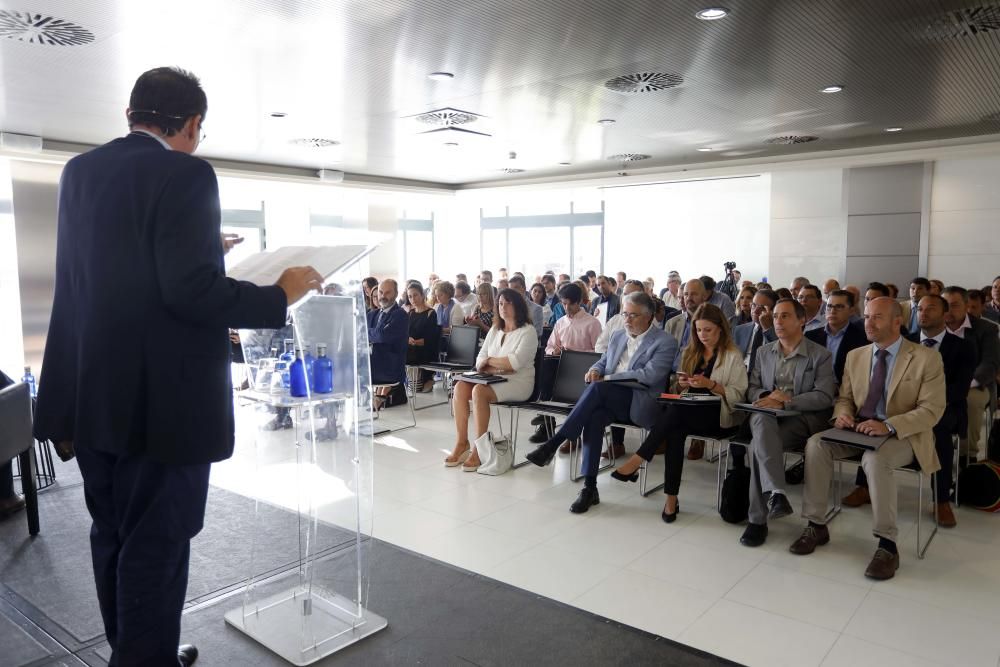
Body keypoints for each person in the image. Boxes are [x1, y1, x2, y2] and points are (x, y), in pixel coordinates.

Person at [31, 67, 322, 667]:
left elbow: (108, 269)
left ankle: (138, 649)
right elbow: (190, 295)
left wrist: (201, 248)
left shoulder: (80, 172)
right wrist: (282, 294)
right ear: (191, 125)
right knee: (157, 543)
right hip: (161, 406)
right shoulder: (187, 172)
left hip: (93, 397)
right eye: (198, 131)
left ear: (133, 116)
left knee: (110, 531)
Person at [789, 297, 945, 580]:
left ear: (897, 321)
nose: (868, 323)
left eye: (877, 317)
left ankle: (887, 545)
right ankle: (816, 524)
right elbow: (845, 398)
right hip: (859, 428)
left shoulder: (926, 357)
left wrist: (889, 426)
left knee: (876, 459)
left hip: (903, 433)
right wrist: (843, 415)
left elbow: (932, 410)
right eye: (867, 316)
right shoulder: (856, 355)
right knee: (816, 444)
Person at [525, 292, 677, 513]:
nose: (627, 319)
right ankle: (590, 487)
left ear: (649, 316)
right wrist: (594, 370)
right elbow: (603, 362)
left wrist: (606, 379)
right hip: (609, 399)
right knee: (594, 418)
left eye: (633, 315)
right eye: (625, 314)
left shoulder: (665, 342)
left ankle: (554, 442)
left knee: (598, 389)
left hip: (639, 403)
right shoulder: (618, 335)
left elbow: (648, 377)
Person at [841, 294, 975, 527]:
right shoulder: (904, 340)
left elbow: (959, 388)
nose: (923, 313)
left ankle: (940, 498)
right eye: (920, 308)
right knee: (870, 416)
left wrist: (923, 400)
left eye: (930, 309)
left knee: (938, 428)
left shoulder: (962, 346)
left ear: (945, 315)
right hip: (895, 407)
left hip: (944, 406)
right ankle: (863, 486)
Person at [612, 304, 747, 522]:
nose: (702, 335)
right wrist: (683, 385)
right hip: (688, 410)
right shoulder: (690, 352)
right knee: (675, 427)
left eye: (708, 330)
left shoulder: (732, 355)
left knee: (675, 414)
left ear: (720, 329)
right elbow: (676, 387)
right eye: (699, 330)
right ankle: (670, 500)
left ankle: (639, 460)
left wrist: (711, 384)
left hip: (719, 416)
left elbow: (738, 394)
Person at [739, 299, 835, 548]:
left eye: (784, 316)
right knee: (760, 423)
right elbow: (752, 388)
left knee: (759, 446)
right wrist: (765, 397)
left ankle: (757, 520)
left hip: (803, 418)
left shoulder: (820, 355)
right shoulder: (764, 351)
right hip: (769, 417)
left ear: (801, 320)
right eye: (775, 316)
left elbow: (825, 396)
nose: (777, 322)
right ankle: (776, 495)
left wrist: (787, 401)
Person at [446, 289, 537, 470]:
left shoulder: (528, 331)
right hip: (493, 378)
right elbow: (479, 360)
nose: (503, 307)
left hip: (519, 382)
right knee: (461, 387)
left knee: (479, 391)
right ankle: (462, 442)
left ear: (518, 306)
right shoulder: (495, 329)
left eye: (508, 303)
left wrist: (490, 362)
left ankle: (479, 450)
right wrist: (492, 364)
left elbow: (514, 363)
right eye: (501, 303)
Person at [529, 282, 604, 444]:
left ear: (580, 302)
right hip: (562, 367)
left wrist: (574, 354)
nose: (567, 307)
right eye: (564, 303)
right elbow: (549, 346)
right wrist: (554, 351)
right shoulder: (560, 322)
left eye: (571, 304)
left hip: (583, 369)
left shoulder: (592, 323)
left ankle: (557, 425)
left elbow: (599, 353)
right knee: (546, 363)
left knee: (552, 370)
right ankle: (546, 421)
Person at [942, 286, 1000, 466]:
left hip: (974, 385)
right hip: (938, 384)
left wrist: (965, 384)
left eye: (954, 305)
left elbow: (990, 363)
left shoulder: (986, 329)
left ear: (967, 305)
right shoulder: (935, 327)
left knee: (970, 401)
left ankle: (967, 455)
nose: (948, 311)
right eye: (945, 305)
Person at [805, 289, 869, 387]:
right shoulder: (810, 336)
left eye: (839, 307)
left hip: (844, 391)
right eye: (829, 306)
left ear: (851, 311)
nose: (833, 311)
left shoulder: (862, 338)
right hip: (813, 389)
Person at [368, 279, 409, 408]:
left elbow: (382, 336)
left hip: (389, 368)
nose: (383, 296)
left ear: (396, 294)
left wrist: (368, 333)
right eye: (380, 292)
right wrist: (374, 333)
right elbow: (359, 333)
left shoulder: (400, 315)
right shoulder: (372, 314)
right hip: (372, 364)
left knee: (354, 375)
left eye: (387, 292)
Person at [733, 289, 779, 375]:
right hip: (740, 374)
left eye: (762, 307)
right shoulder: (739, 330)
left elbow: (777, 354)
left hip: (765, 375)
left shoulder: (779, 330)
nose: (755, 311)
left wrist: (767, 328)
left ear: (773, 310)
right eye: (754, 305)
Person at [406, 284, 441, 393]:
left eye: (415, 295)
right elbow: (406, 333)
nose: (413, 299)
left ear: (422, 295)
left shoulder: (431, 313)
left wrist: (415, 342)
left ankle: (428, 378)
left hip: (426, 349)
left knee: (419, 389)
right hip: (412, 349)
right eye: (410, 296)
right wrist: (408, 339)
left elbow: (431, 340)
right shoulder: (411, 313)